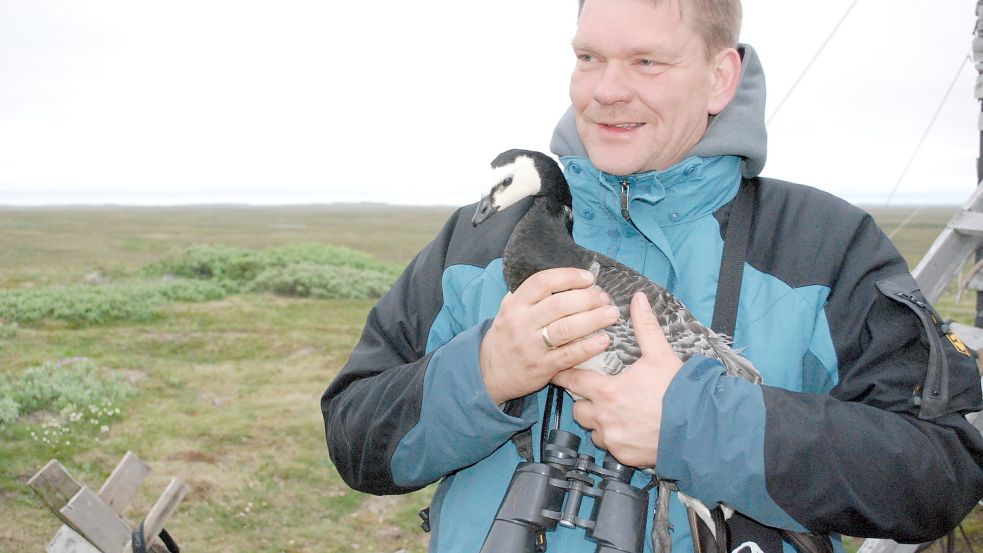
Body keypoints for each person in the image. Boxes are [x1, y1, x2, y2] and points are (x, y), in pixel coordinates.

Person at [321, 0, 983, 551]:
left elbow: (939, 472)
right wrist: (485, 374)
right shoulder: (476, 242)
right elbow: (354, 438)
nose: (606, 89)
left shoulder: (824, 247)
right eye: (588, 58)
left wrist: (695, 425)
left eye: (646, 61)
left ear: (721, 77)